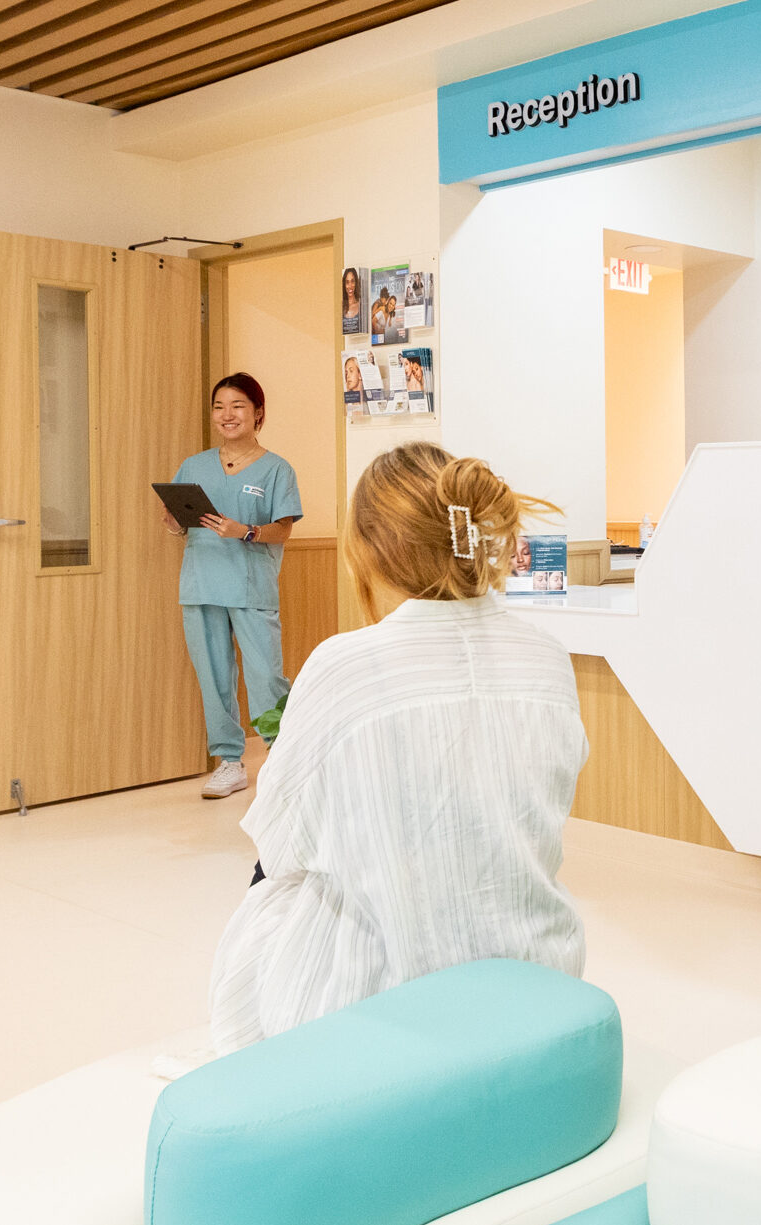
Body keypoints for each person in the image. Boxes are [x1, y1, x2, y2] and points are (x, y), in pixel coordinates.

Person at [208, 441, 587, 1053]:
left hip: (382, 1004)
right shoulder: (546, 656)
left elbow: (280, 847)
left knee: (268, 899)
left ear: (370, 551)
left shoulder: (345, 665)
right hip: (539, 972)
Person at [161, 373, 302, 800]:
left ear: (258, 413)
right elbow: (177, 525)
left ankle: (284, 756)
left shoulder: (277, 468)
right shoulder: (194, 465)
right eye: (219, 406)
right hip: (201, 583)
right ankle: (228, 762)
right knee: (214, 677)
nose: (227, 415)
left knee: (266, 677)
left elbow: (283, 530)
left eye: (238, 406)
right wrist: (172, 522)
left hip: (250, 585)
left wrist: (246, 530)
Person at [341, 267, 363, 333]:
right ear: (344, 285)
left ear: (356, 283)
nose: (350, 286)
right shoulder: (340, 307)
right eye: (347, 282)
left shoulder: (361, 305)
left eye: (352, 281)